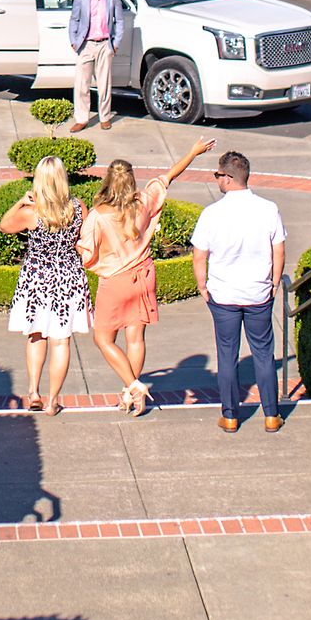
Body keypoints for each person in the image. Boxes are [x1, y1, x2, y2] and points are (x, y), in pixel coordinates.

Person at [78, 138, 214, 416]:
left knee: (103, 340)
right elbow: (169, 176)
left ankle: (133, 386)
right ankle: (133, 396)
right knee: (136, 338)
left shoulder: (97, 216)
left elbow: (85, 252)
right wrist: (192, 151)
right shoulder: (143, 201)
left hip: (115, 281)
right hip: (144, 274)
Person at [189, 150, 287, 434]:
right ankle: (271, 414)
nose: (217, 179)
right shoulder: (268, 209)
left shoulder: (212, 213)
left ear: (229, 178)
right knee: (263, 353)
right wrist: (274, 281)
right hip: (258, 293)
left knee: (227, 354)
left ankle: (231, 415)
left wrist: (202, 286)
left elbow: (199, 255)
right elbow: (278, 249)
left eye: (218, 175)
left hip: (224, 295)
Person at [0, 154, 90, 414]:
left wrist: (19, 202)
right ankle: (52, 400)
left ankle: (34, 392)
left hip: (37, 278)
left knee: (36, 334)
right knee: (61, 341)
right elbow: (85, 238)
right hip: (68, 277)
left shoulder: (31, 213)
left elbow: (4, 227)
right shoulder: (77, 207)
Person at [66, 0, 129, 133]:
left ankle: (105, 117)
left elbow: (119, 21)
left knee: (104, 84)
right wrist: (74, 40)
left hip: (104, 44)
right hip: (86, 44)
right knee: (81, 84)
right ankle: (81, 119)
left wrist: (115, 44)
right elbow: (74, 19)